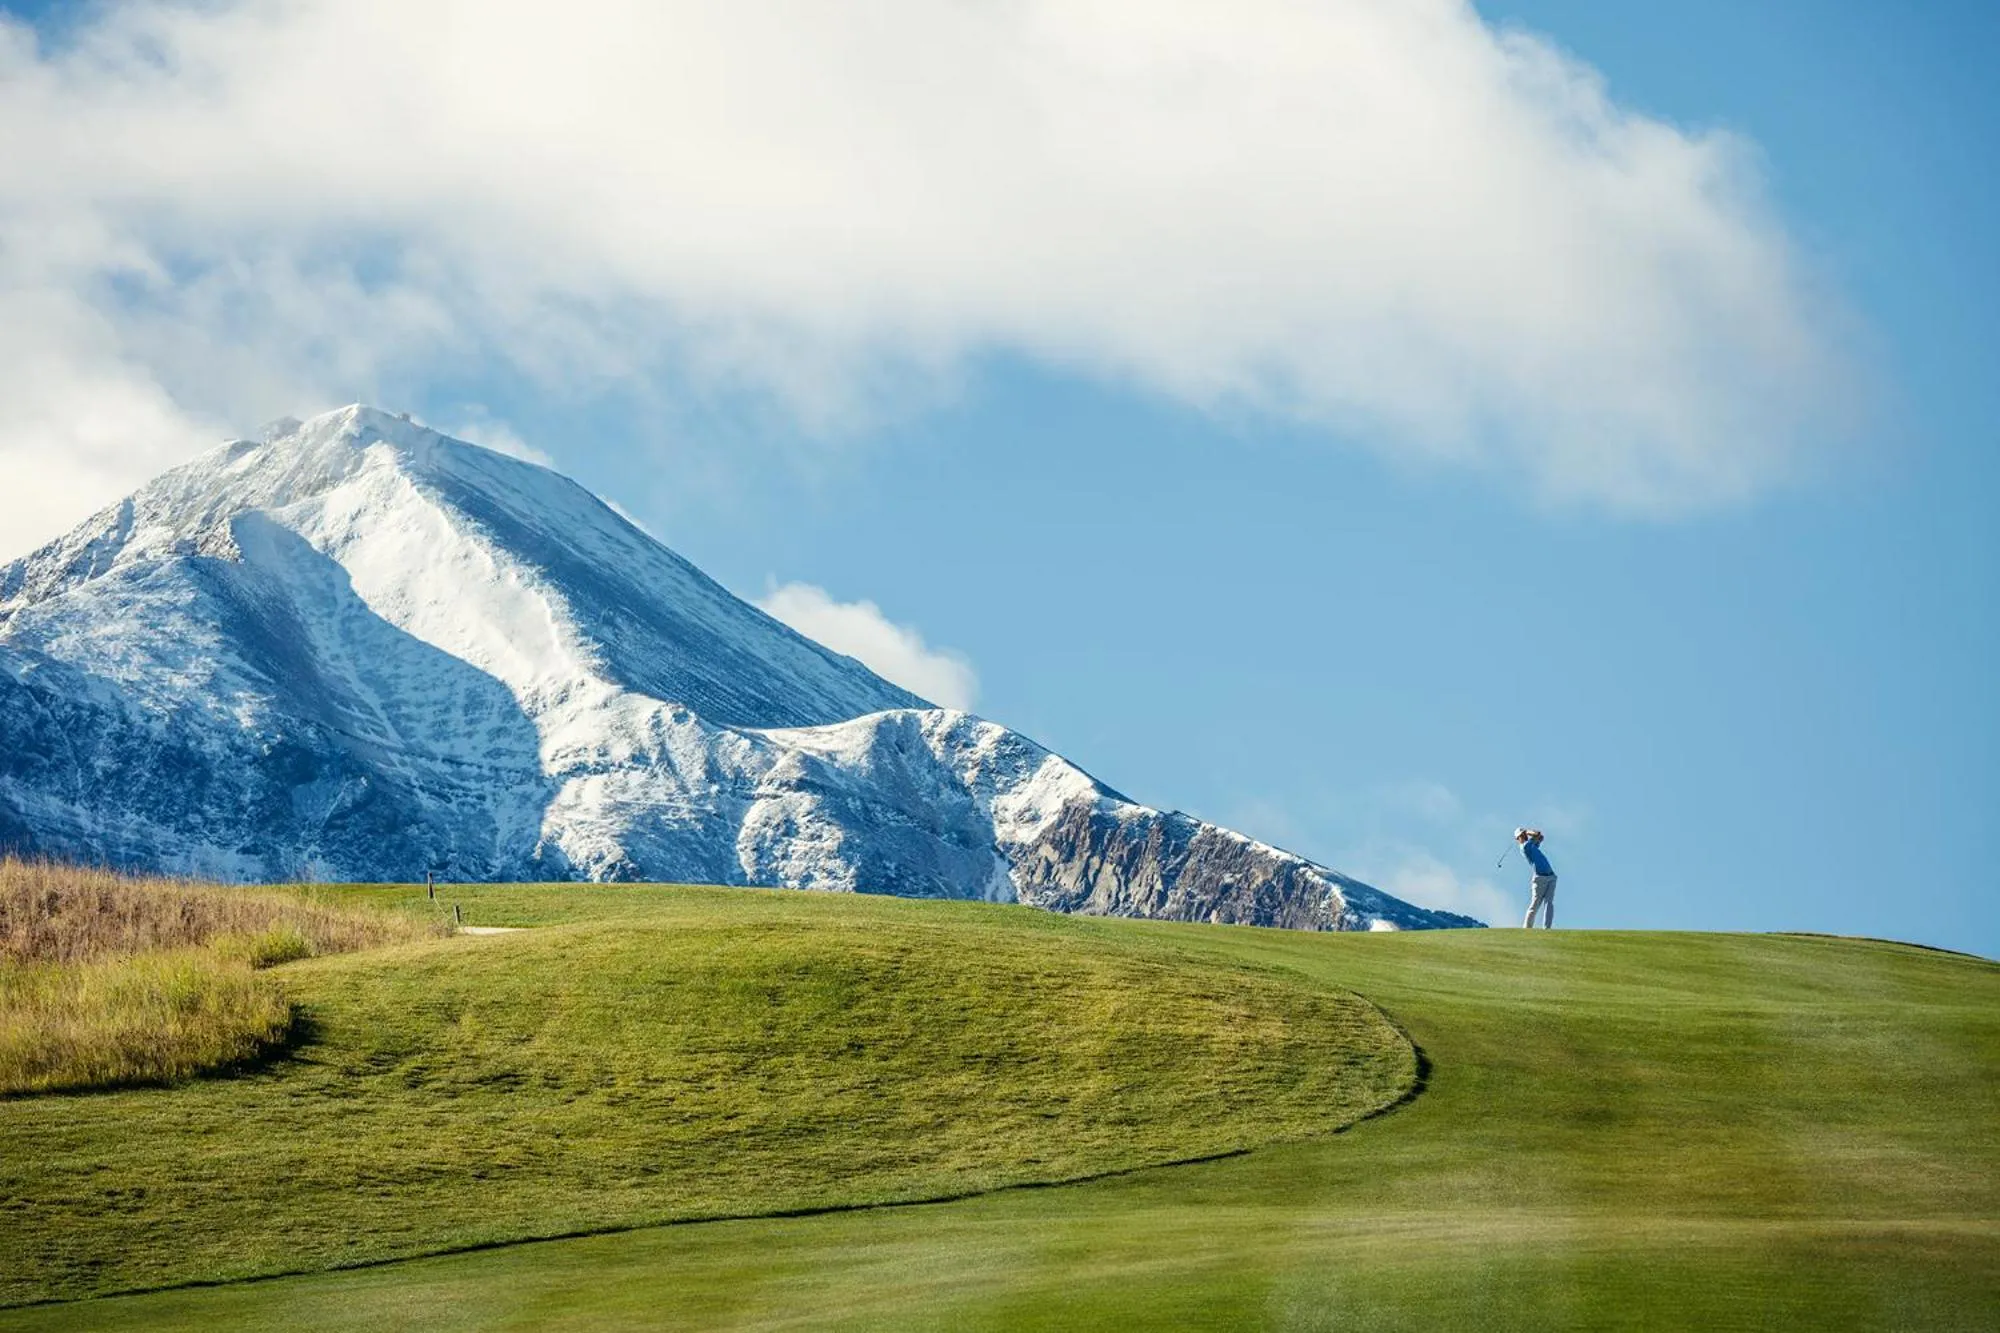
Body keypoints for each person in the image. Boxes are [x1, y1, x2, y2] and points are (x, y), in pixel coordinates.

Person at [1517, 828, 1557, 928]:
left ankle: (1547, 928)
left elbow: (1541, 837)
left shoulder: (1532, 845)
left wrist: (1529, 833)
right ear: (1518, 839)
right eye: (1521, 835)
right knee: (1535, 904)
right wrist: (1527, 831)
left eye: (1524, 834)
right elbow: (1537, 834)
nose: (1524, 836)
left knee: (1549, 903)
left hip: (1551, 876)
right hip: (1540, 879)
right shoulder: (1524, 846)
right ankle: (1527, 928)